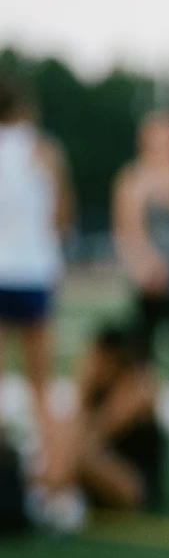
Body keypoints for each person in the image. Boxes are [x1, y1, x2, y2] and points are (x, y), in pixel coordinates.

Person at [0, 74, 74, 462]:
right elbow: (63, 216)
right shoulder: (44, 149)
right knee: (40, 388)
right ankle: (48, 479)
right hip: (34, 271)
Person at [112, 110, 169, 413]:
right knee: (141, 350)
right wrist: (146, 265)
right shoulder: (133, 176)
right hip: (148, 277)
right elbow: (128, 227)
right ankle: (143, 409)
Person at [39, 324, 164, 525]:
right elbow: (77, 424)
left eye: (97, 357)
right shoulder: (96, 382)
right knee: (64, 435)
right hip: (97, 469)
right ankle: (51, 494)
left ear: (112, 358)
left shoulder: (137, 388)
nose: (91, 362)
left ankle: (47, 495)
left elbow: (98, 432)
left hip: (134, 484)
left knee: (73, 446)